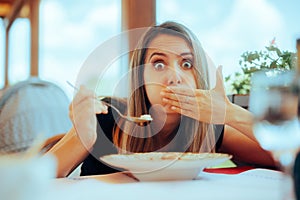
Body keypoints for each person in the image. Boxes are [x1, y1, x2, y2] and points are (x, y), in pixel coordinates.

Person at [47, 21, 276, 178]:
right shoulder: (108, 115)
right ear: (140, 77)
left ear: (198, 78)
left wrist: (231, 114)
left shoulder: (210, 128)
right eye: (158, 63)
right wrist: (82, 138)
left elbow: (286, 157)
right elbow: (38, 179)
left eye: (186, 64)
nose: (174, 77)